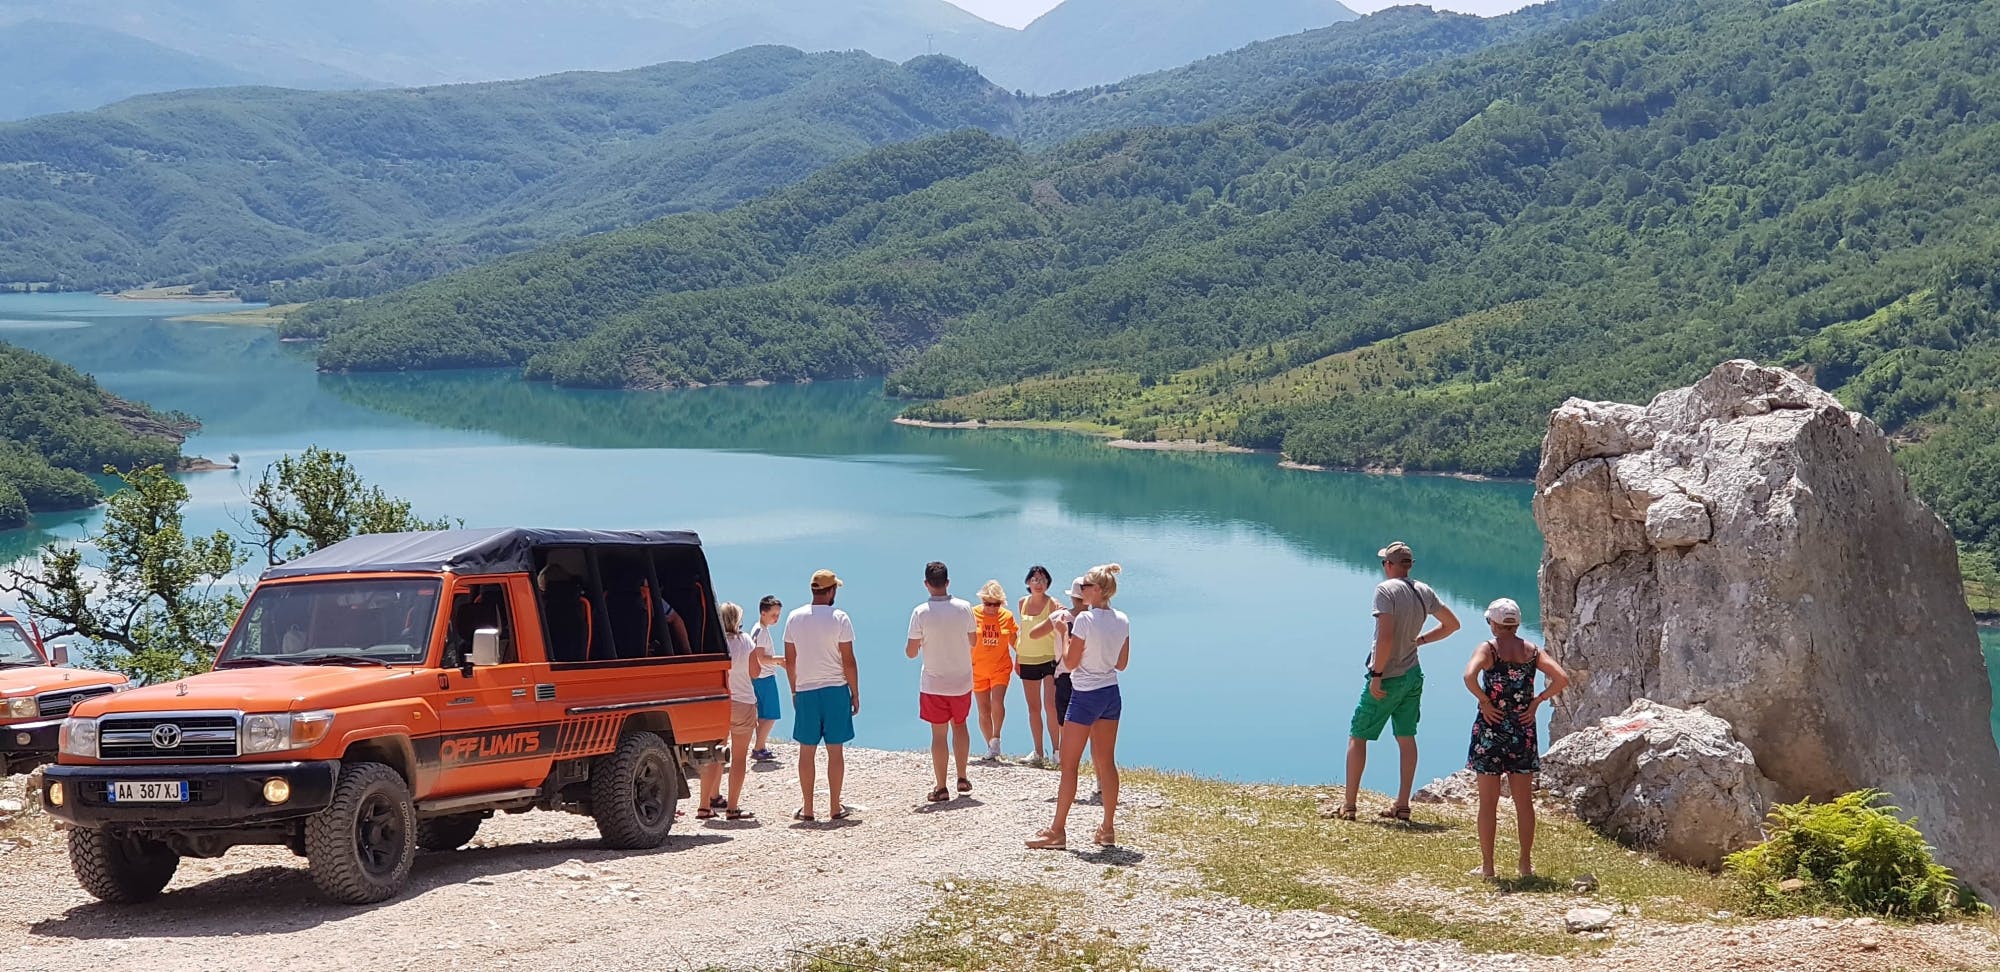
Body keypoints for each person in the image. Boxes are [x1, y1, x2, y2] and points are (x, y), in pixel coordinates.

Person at [1335, 541, 1461, 822]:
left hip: (1388, 675)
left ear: (1389, 566)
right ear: (1410, 565)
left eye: (1384, 563)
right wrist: (1421, 640)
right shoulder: (1423, 590)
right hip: (1412, 674)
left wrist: (1377, 676)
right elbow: (1453, 624)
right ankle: (1402, 805)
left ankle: (1350, 805)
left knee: (1358, 735)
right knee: (1406, 737)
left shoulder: (1385, 591)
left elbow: (1386, 636)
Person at [1464, 597, 1568, 878]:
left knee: (1488, 802)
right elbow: (1561, 678)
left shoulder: (1488, 649)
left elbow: (1469, 676)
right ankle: (1524, 864)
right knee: (1524, 802)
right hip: (1523, 730)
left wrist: (1485, 702)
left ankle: (1488, 867)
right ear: (1517, 623)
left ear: (1494, 624)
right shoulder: (1532, 651)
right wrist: (1537, 702)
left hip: (1491, 729)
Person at [1028, 563, 1129, 851]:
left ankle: (1057, 831)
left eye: (1085, 586)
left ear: (1097, 590)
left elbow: (1070, 663)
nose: (1080, 590)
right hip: (1111, 693)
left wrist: (1063, 632)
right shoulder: (1122, 619)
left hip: (1085, 695)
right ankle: (1107, 828)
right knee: (1106, 762)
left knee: (1069, 766)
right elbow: (1121, 663)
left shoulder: (1084, 620)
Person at [783, 569, 859, 822]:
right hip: (836, 689)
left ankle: (807, 808)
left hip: (806, 690)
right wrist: (854, 692)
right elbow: (848, 660)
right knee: (835, 751)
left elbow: (790, 661)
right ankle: (835, 806)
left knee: (807, 751)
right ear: (831, 591)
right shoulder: (840, 618)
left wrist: (794, 689)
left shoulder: (794, 618)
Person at [906, 561, 978, 803]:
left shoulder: (920, 612)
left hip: (934, 683)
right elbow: (974, 641)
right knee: (960, 725)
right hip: (961, 681)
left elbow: (911, 652)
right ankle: (962, 776)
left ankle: (940, 786)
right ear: (948, 583)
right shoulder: (965, 607)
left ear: (926, 584)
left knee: (938, 734)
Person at [707, 601, 767, 821]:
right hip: (743, 702)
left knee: (715, 752)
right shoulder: (747, 642)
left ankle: (709, 800)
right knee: (739, 757)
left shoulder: (714, 642)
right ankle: (732, 808)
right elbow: (755, 672)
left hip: (720, 702)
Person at [1014, 566, 1063, 767]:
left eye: (1042, 580)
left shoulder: (1053, 604)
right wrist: (1017, 657)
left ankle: (1057, 751)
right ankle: (1038, 752)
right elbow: (1022, 632)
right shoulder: (1021, 603)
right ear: (1028, 582)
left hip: (1049, 658)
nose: (1038, 583)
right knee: (1033, 708)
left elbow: (1064, 619)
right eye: (1034, 579)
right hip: (1026, 658)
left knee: (1051, 706)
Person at [971, 579, 1017, 761]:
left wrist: (1024, 657)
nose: (991, 607)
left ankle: (996, 737)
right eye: (987, 603)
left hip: (1000, 666)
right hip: (977, 668)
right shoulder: (972, 614)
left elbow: (1015, 641)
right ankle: (991, 747)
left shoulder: (1007, 616)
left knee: (997, 701)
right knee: (983, 709)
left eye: (995, 604)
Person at [749, 595, 784, 763]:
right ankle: (758, 747)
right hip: (765, 676)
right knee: (771, 715)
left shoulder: (756, 629)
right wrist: (779, 660)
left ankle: (760, 746)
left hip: (757, 677)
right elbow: (761, 657)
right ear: (763, 613)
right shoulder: (761, 632)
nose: (776, 618)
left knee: (762, 715)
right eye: (773, 614)